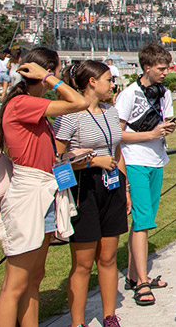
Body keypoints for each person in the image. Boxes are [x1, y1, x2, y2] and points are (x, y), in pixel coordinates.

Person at [0, 47, 89, 327]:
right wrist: (48, 78)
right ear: (47, 71)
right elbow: (79, 102)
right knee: (14, 285)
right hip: (30, 195)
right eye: (57, 69)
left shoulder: (30, 104)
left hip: (43, 192)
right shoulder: (23, 103)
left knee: (34, 277)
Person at [54, 61, 129, 325]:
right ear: (92, 82)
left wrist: (125, 188)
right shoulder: (69, 115)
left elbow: (117, 151)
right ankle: (78, 322)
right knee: (83, 263)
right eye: (109, 80)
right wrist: (92, 162)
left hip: (112, 185)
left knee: (108, 258)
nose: (113, 85)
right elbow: (56, 160)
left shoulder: (111, 111)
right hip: (83, 188)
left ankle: (110, 316)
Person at [116, 43, 176, 303]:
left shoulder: (164, 94)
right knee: (142, 221)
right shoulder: (129, 95)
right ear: (147, 67)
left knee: (145, 220)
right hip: (134, 161)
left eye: (167, 68)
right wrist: (150, 134)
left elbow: (166, 122)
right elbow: (117, 133)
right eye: (161, 68)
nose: (165, 72)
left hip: (156, 160)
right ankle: (142, 282)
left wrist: (167, 129)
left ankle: (133, 275)